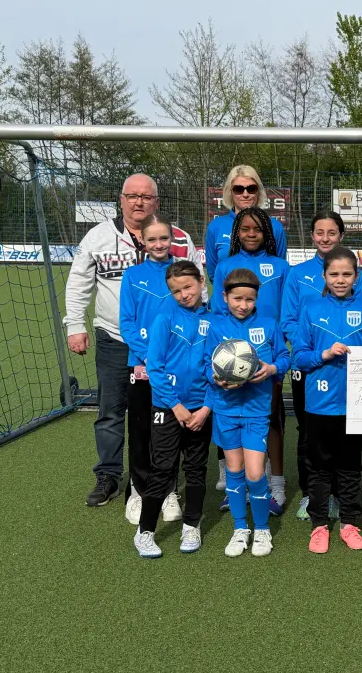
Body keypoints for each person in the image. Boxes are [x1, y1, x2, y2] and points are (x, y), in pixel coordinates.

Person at [64, 173, 203, 507]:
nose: (139, 202)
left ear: (157, 202)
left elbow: (200, 287)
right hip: (116, 339)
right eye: (132, 196)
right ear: (121, 199)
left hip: (173, 345)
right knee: (112, 410)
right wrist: (74, 326)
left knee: (166, 413)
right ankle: (109, 475)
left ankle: (165, 480)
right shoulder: (97, 237)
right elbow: (79, 282)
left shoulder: (180, 239)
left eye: (147, 196)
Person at [279, 211, 362, 521]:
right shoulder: (298, 274)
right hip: (312, 365)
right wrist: (315, 348)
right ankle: (311, 494)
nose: (326, 237)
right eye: (319, 232)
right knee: (308, 432)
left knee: (345, 434)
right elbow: (289, 320)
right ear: (312, 235)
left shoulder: (356, 276)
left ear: (341, 235)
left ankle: (343, 496)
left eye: (332, 232)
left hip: (349, 374)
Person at [291, 246, 362, 553]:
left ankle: (350, 522)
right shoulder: (311, 308)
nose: (340, 280)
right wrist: (324, 354)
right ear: (324, 276)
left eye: (347, 274)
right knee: (318, 466)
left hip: (355, 404)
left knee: (350, 466)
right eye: (334, 274)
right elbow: (299, 357)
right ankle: (318, 525)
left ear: (357, 276)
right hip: (319, 404)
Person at [132, 261, 214, 558]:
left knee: (196, 468)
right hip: (168, 408)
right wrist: (177, 406)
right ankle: (145, 532)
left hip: (201, 410)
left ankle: (192, 525)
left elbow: (216, 368)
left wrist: (205, 408)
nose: (183, 294)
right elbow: (154, 367)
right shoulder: (164, 318)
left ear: (201, 282)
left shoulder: (213, 319)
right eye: (176, 291)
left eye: (188, 287)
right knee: (163, 469)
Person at [211, 207, 290, 514]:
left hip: (267, 356)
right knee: (233, 418)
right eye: (245, 229)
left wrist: (276, 359)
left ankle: (277, 485)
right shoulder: (225, 266)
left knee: (270, 420)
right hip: (232, 359)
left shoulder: (280, 266)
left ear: (268, 233)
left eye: (258, 229)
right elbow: (219, 311)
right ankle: (239, 487)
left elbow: (285, 312)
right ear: (237, 232)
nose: (252, 233)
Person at [209, 268, 291, 558]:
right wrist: (216, 377)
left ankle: (263, 530)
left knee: (256, 474)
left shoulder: (268, 324)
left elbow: (284, 357)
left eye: (249, 299)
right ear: (225, 297)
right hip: (227, 409)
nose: (243, 305)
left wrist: (271, 369)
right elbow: (206, 364)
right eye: (237, 298)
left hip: (257, 410)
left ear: (257, 298)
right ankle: (240, 528)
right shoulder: (216, 326)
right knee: (234, 470)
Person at [119, 213, 186, 526]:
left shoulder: (184, 271)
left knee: (170, 431)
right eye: (152, 239)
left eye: (164, 238)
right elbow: (127, 324)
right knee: (142, 429)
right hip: (143, 366)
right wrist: (151, 358)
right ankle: (139, 490)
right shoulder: (133, 276)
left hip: (177, 366)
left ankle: (169, 490)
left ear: (171, 239)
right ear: (142, 242)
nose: (159, 244)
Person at [204, 164, 287, 276]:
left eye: (251, 189)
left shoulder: (275, 227)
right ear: (230, 192)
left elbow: (279, 271)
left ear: (258, 191)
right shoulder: (215, 227)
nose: (245, 194)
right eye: (238, 189)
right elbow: (214, 274)